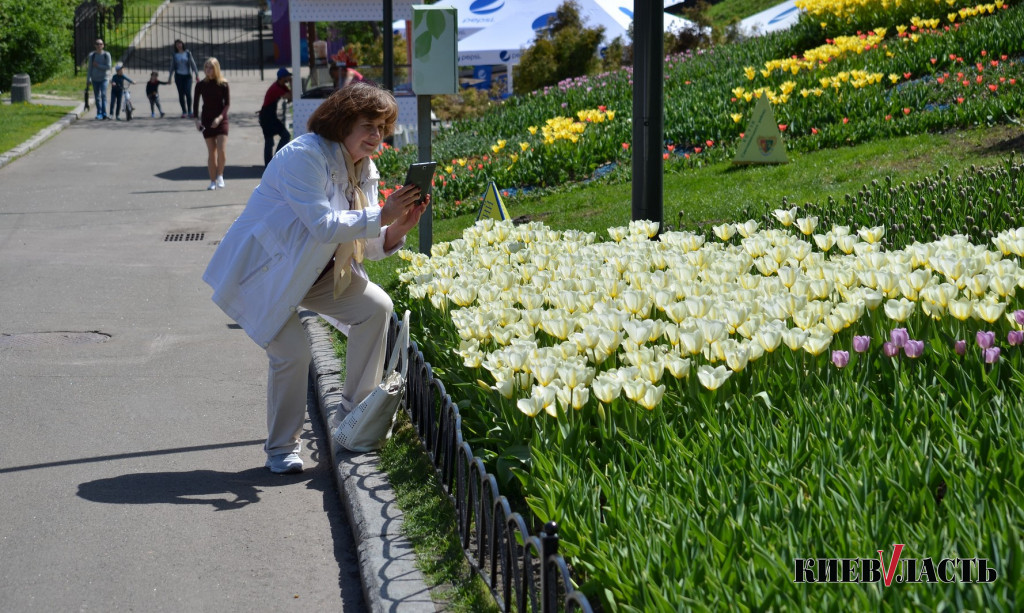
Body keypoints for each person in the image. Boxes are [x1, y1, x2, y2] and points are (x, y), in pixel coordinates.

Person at [201, 82, 428, 474]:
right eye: (368, 126)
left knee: (376, 307)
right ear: (342, 123)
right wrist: (382, 215)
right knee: (292, 352)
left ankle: (353, 420)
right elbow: (323, 226)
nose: (376, 136)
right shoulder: (303, 156)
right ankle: (280, 449)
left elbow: (367, 244)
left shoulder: (364, 167)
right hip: (269, 273)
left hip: (319, 272)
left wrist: (396, 227)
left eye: (382, 127)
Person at [193, 58, 230, 190]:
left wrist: (220, 118)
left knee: (221, 150)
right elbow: (195, 104)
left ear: (216, 69)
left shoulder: (223, 84)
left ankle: (220, 175)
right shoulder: (200, 85)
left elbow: (227, 104)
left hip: (221, 120)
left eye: (211, 67)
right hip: (207, 120)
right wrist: (196, 120)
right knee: (211, 152)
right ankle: (212, 181)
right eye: (206, 67)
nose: (208, 70)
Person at [259, 67, 293, 166]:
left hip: (270, 116)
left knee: (283, 136)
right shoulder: (276, 88)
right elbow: (291, 96)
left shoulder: (281, 86)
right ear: (282, 78)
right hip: (267, 117)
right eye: (287, 77)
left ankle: (273, 161)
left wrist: (290, 87)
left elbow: (290, 96)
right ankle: (271, 163)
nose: (289, 78)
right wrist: (291, 83)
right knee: (270, 141)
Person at [168, 39, 200, 118]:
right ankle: (184, 111)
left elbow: (193, 64)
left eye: (180, 44)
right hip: (179, 76)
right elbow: (172, 67)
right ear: (175, 46)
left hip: (187, 76)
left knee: (188, 93)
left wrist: (197, 75)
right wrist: (170, 77)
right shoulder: (175, 55)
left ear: (182, 44)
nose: (179, 45)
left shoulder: (188, 53)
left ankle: (190, 111)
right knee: (181, 94)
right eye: (177, 44)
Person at [86, 39, 112, 120]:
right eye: (97, 44)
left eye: (101, 44)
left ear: (103, 45)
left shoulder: (106, 55)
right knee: (97, 97)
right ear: (95, 46)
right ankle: (99, 113)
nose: (99, 45)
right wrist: (88, 79)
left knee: (103, 95)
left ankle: (104, 113)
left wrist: (98, 65)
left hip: (104, 78)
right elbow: (90, 68)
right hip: (95, 79)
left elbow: (108, 67)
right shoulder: (92, 55)